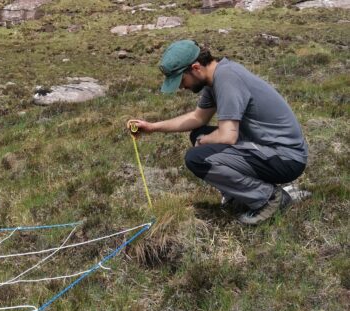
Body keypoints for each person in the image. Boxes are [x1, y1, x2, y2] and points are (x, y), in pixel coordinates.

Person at [128, 40, 308, 225]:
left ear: (196, 67)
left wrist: (204, 141)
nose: (182, 87)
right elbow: (198, 118)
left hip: (286, 158)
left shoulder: (227, 79)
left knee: (197, 158)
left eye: (181, 80)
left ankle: (270, 199)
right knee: (197, 134)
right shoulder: (215, 78)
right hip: (269, 150)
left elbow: (228, 136)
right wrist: (152, 127)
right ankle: (239, 195)